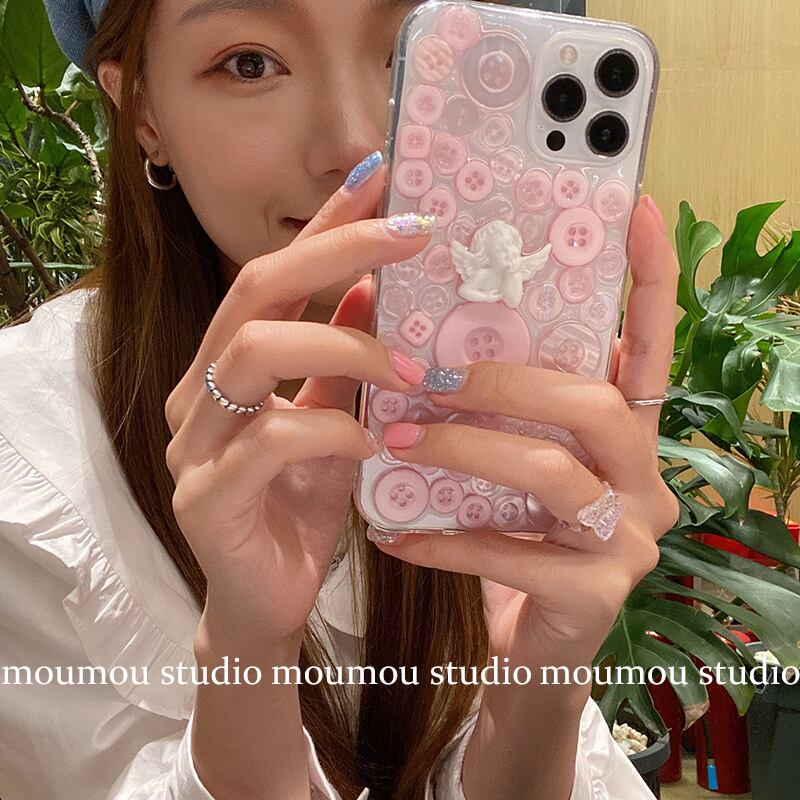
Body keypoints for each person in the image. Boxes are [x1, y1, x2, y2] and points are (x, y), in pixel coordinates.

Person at [0, 1, 681, 798]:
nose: (357, 142)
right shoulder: (29, 458)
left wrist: (540, 687)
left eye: (409, 51)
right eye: (249, 63)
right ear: (143, 113)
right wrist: (247, 648)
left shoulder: (515, 401)